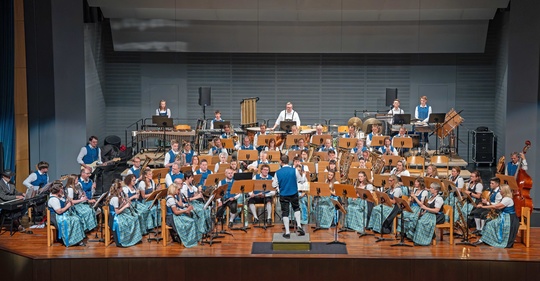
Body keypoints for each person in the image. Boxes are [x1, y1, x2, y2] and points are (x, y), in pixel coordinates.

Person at [272, 155, 306, 238]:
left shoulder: (277, 172)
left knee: (285, 213)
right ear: (288, 161)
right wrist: (304, 175)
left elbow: (274, 185)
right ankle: (299, 226)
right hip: (293, 193)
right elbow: (301, 180)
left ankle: (287, 232)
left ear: (281, 161)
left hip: (283, 194)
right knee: (296, 208)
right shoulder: (294, 170)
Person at [47, 182, 86, 247]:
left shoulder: (59, 196)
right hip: (56, 217)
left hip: (62, 215)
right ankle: (71, 240)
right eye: (62, 189)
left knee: (78, 218)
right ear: (59, 190)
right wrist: (67, 206)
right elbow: (59, 211)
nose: (63, 190)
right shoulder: (53, 199)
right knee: (74, 220)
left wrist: (68, 202)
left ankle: (77, 239)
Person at [106, 179, 143, 247]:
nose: (122, 189)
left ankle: (134, 239)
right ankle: (125, 240)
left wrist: (123, 203)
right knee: (131, 220)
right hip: (115, 218)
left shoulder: (117, 196)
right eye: (121, 188)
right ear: (118, 189)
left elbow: (118, 207)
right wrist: (125, 206)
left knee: (134, 217)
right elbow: (117, 212)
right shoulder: (115, 198)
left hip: (118, 214)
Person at [165, 183, 200, 248]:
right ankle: (188, 240)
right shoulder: (171, 199)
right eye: (178, 190)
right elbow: (175, 212)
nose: (179, 191)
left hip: (174, 216)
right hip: (171, 218)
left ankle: (192, 238)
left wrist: (186, 206)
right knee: (191, 221)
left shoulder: (173, 197)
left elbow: (179, 205)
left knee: (190, 217)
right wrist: (185, 210)